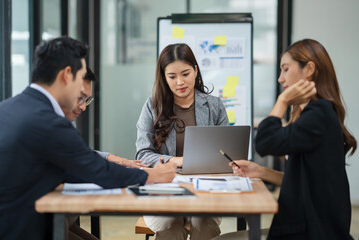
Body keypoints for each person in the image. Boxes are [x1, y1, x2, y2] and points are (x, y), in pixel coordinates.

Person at [0, 36, 176, 240]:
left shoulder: (10, 107)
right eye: (81, 78)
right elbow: (97, 171)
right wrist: (151, 176)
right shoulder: (48, 121)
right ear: (67, 75)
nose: (82, 91)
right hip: (20, 228)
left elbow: (72, 168)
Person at [218, 39, 357, 240]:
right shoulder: (319, 113)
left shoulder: (318, 114)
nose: (280, 79)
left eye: (285, 69)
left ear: (309, 69)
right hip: (309, 226)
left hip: (310, 231)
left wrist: (282, 101)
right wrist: (260, 171)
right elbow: (302, 180)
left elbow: (265, 141)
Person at [135, 43, 229, 240]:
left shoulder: (214, 106)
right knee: (170, 222)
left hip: (204, 190)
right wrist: (178, 161)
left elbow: (226, 153)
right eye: (172, 76)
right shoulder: (152, 106)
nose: (180, 82)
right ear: (163, 77)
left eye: (185, 74)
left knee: (203, 222)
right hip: (164, 189)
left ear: (195, 70)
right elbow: (143, 154)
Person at [62, 66, 145, 169]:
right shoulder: (46, 120)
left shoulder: (66, 119)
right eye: (80, 98)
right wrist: (145, 175)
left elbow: (79, 153)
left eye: (87, 100)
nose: (83, 107)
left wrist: (112, 158)